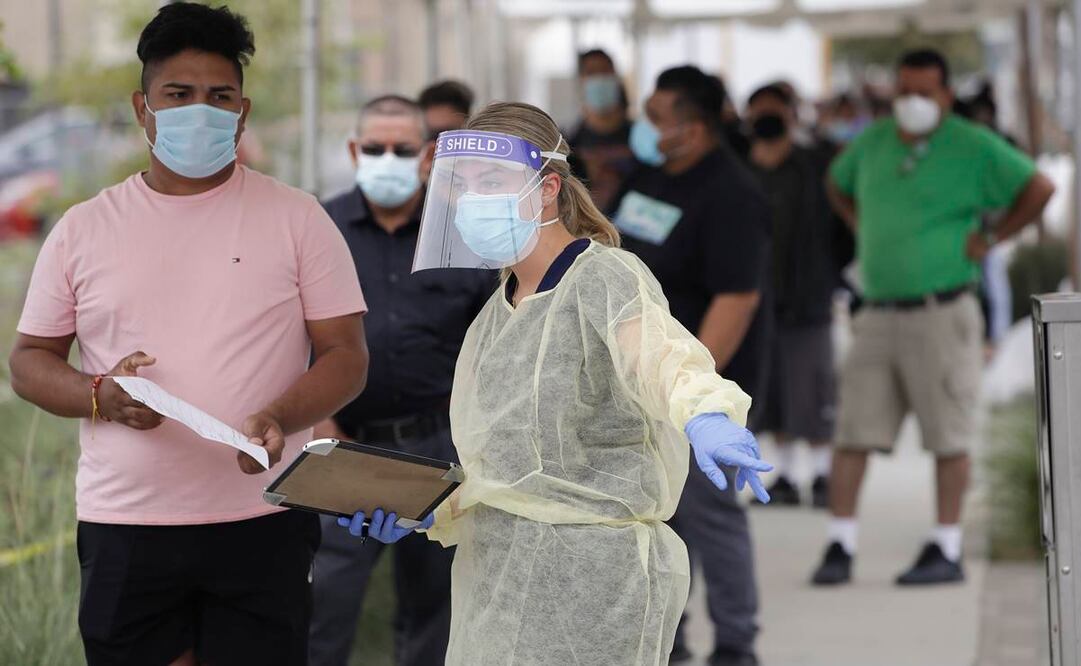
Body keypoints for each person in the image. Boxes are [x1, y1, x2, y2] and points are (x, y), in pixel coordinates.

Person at [339, 101, 773, 665]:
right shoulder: (498, 311)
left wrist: (705, 414)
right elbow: (507, 469)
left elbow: (663, 357)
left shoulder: (604, 277)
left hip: (595, 585)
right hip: (494, 582)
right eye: (463, 186)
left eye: (492, 182)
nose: (475, 200)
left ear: (547, 188)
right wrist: (424, 510)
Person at [7, 4, 369, 665]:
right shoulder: (84, 229)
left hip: (264, 517)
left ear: (243, 110)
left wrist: (282, 416)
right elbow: (29, 362)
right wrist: (99, 393)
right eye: (178, 94)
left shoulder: (298, 219)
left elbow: (346, 355)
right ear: (142, 109)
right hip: (126, 523)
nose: (199, 111)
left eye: (218, 96)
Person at [813, 48, 1055, 586]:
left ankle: (946, 546)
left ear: (946, 95)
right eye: (903, 91)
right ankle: (840, 542)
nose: (912, 101)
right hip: (875, 311)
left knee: (949, 433)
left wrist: (994, 237)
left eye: (924, 91)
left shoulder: (972, 144)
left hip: (941, 310)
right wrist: (861, 223)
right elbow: (836, 182)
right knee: (853, 430)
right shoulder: (873, 142)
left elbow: (1039, 188)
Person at [308, 95, 494, 666]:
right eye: (374, 148)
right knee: (323, 609)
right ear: (353, 152)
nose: (387, 158)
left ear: (428, 155)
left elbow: (494, 349)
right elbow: (285, 336)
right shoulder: (319, 230)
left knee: (433, 609)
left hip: (437, 446)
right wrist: (318, 420)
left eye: (402, 148)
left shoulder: (466, 237)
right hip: (341, 445)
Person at [613, 65, 771, 666]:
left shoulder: (732, 194)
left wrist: (691, 393)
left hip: (696, 384)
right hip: (637, 379)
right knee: (658, 516)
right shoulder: (649, 176)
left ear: (695, 126)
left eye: (657, 118)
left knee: (708, 510)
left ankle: (735, 642)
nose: (646, 128)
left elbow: (737, 298)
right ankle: (667, 641)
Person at [746, 83, 842, 508]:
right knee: (773, 392)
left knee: (815, 387)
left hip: (809, 297)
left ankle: (822, 474)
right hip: (759, 299)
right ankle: (782, 473)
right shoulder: (742, 169)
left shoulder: (816, 164)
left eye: (775, 112)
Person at [567, 48, 634, 211]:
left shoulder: (641, 139)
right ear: (581, 81)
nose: (599, 78)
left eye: (605, 71)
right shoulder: (567, 144)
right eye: (591, 72)